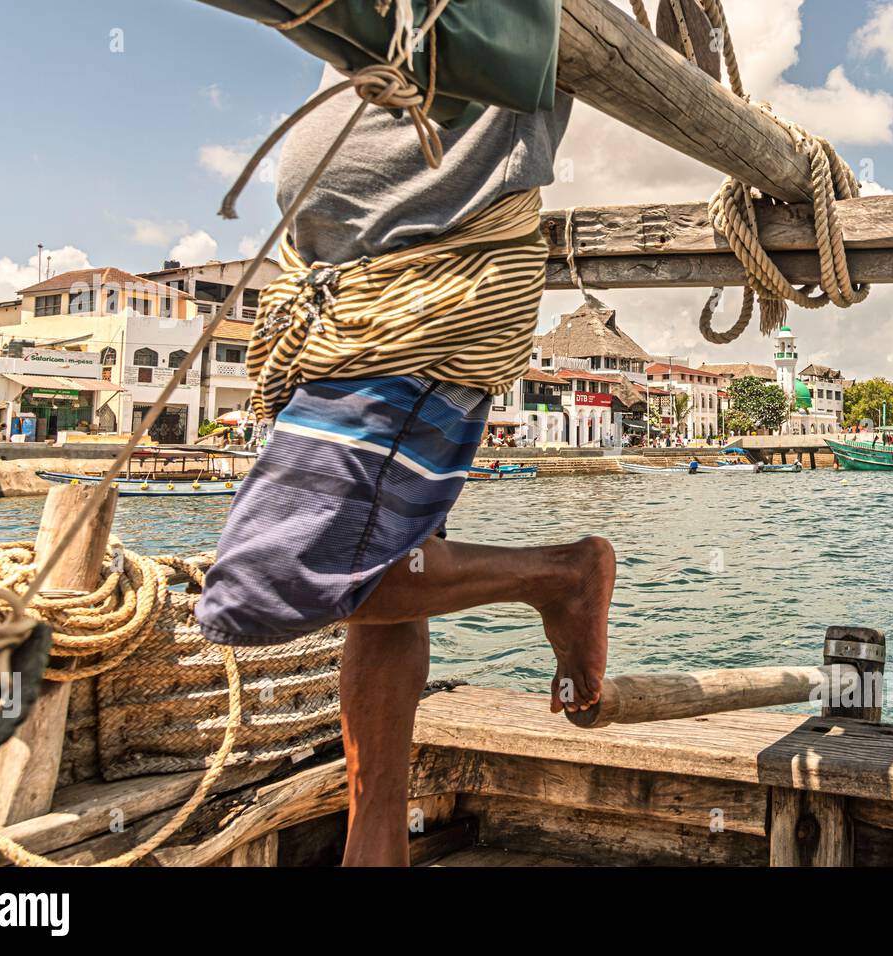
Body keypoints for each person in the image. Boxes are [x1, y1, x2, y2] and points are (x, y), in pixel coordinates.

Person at [195, 67, 609, 868]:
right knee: (383, 584)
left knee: (263, 584)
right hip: (349, 293)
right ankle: (373, 840)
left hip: (426, 282)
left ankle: (561, 576)